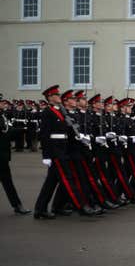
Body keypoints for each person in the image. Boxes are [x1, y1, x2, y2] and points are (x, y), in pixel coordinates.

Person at [34, 85, 96, 219]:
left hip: (64, 148)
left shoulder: (62, 111)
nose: (58, 97)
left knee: (51, 182)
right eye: (56, 95)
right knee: (68, 179)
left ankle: (41, 209)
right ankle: (81, 206)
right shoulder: (47, 113)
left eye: (58, 95)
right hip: (56, 151)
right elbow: (44, 135)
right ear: (50, 98)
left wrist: (80, 136)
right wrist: (46, 155)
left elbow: (68, 130)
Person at [0, 98, 30, 215]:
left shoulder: (3, 116)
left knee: (8, 182)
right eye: (2, 102)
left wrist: (22, 130)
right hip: (1, 155)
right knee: (8, 182)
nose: (4, 104)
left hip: (3, 156)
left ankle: (17, 205)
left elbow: (8, 131)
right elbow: (5, 134)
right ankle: (17, 205)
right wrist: (22, 131)